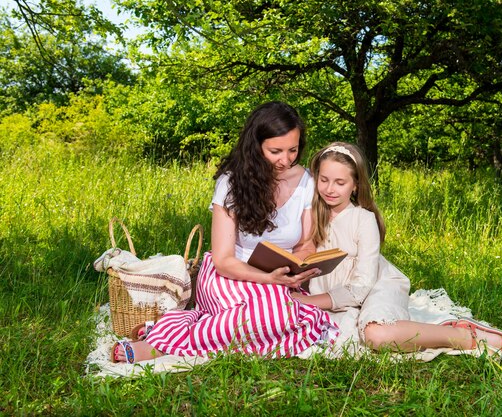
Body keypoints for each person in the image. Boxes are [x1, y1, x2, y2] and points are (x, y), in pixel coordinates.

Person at [111, 102, 338, 363]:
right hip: (231, 274)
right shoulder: (231, 183)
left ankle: (180, 329)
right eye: (275, 151)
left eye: (293, 150)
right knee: (281, 317)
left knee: (281, 313)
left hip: (279, 279)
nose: (285, 160)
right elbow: (223, 260)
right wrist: (268, 279)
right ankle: (163, 342)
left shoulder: (307, 181)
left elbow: (307, 243)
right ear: (256, 147)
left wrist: (299, 266)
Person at [290, 142, 502, 356]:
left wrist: (310, 301)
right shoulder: (310, 215)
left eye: (340, 183)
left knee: (375, 335)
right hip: (332, 298)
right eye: (324, 180)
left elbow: (361, 287)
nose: (330, 189)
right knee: (338, 336)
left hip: (374, 286)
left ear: (355, 185)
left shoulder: (363, 219)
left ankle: (462, 335)